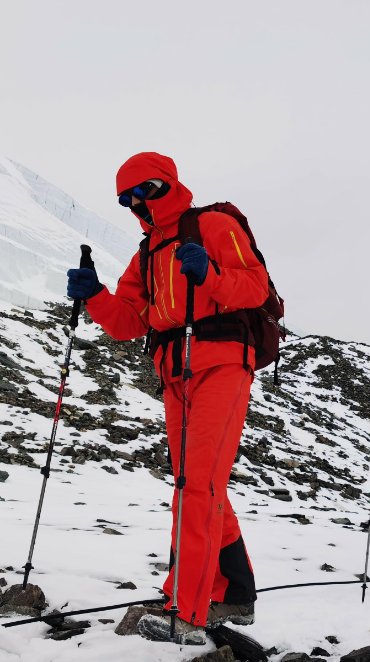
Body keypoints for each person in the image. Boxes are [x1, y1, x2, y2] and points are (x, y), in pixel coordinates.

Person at [66, 152, 267, 645]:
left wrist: (210, 277)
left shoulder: (213, 226)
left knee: (197, 485)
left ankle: (188, 610)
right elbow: (127, 321)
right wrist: (94, 295)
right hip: (175, 372)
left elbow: (255, 287)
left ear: (169, 184)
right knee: (192, 483)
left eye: (146, 189)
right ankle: (236, 592)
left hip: (221, 362)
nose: (137, 201)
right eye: (126, 197)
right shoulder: (147, 252)